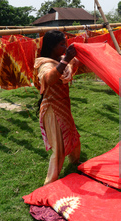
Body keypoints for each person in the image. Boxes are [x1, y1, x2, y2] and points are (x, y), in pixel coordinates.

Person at [34, 30, 81, 185]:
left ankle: (75, 162)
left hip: (64, 106)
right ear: (51, 46)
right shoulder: (45, 64)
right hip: (53, 109)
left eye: (65, 43)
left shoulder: (60, 60)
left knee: (73, 135)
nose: (64, 47)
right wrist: (67, 59)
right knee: (59, 148)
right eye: (61, 44)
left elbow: (72, 67)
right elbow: (49, 79)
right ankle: (50, 182)